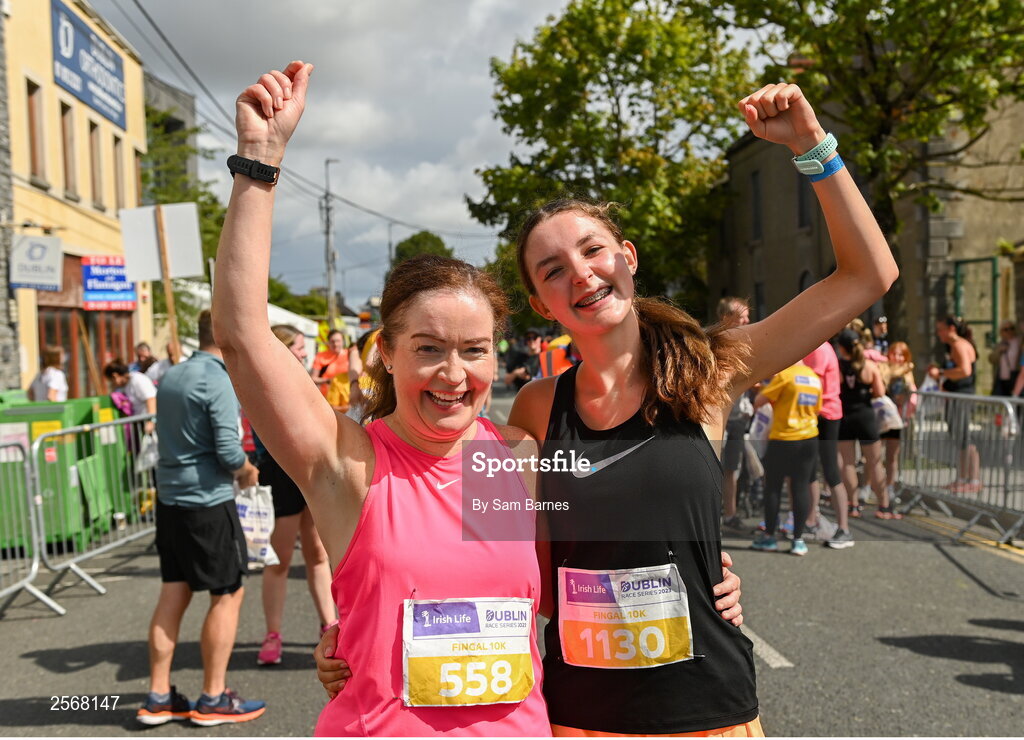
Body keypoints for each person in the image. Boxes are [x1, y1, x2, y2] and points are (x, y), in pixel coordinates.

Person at [317, 80, 898, 735]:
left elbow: (867, 276)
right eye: (553, 269)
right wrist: (364, 639)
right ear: (542, 304)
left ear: (627, 257)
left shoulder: (708, 371)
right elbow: (495, 566)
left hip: (708, 712)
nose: (582, 274)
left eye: (592, 250)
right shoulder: (532, 414)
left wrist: (811, 147)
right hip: (581, 720)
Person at [217, 60, 740, 736]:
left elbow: (574, 589)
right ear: (387, 352)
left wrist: (709, 581)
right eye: (428, 349)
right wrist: (258, 163)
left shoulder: (514, 462)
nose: (452, 375)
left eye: (474, 350)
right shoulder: (347, 467)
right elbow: (241, 336)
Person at [137, 310, 264, 727]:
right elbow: (229, 452)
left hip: (170, 501)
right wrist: (248, 471)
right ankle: (213, 697)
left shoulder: (172, 375)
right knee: (227, 594)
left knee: (173, 593)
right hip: (207, 501)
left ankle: (157, 696)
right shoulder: (218, 378)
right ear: (228, 336)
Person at [254, 324, 336, 666]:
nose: (304, 353)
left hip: (312, 474)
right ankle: (273, 634)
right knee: (280, 559)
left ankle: (329, 623)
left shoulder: (304, 380)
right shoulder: (265, 384)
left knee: (318, 554)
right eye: (300, 347)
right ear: (283, 348)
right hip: (281, 475)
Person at [750, 361, 822, 555]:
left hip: (784, 437)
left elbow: (759, 401)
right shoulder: (813, 377)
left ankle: (770, 537)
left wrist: (766, 389)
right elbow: (817, 408)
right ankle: (798, 540)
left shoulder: (785, 375)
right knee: (800, 487)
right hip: (809, 438)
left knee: (773, 486)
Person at [835, 329, 900, 518]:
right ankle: (884, 506)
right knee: (875, 462)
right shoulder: (869, 366)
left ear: (841, 348)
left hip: (845, 416)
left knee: (847, 463)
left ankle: (853, 505)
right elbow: (879, 392)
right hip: (865, 415)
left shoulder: (838, 366)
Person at [802, 341, 854, 548]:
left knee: (831, 472)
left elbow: (808, 381)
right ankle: (811, 520)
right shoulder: (813, 346)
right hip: (816, 414)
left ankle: (844, 529)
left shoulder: (820, 348)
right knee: (810, 471)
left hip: (827, 415)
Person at [930, 316, 980, 493]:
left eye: (941, 329)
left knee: (965, 437)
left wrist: (942, 372)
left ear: (951, 328)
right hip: (954, 397)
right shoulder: (953, 346)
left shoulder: (959, 345)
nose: (938, 334)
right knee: (960, 437)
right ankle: (962, 477)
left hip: (962, 397)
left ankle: (972, 479)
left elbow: (965, 371)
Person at [717, 297, 752, 530]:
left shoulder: (748, 343)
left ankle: (730, 514)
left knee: (732, 468)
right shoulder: (713, 342)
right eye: (743, 317)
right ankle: (710, 516)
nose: (748, 321)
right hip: (717, 417)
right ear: (727, 319)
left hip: (737, 417)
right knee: (711, 468)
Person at [880, 341, 917, 501]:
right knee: (874, 456)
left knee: (892, 455)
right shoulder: (882, 368)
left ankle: (889, 486)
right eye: (894, 353)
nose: (897, 357)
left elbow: (911, 394)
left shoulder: (908, 372)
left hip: (897, 419)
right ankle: (870, 486)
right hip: (881, 418)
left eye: (901, 354)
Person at [104, 360, 157, 434]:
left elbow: (151, 399)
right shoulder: (125, 386)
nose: (113, 384)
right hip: (141, 421)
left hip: (149, 421)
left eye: (111, 381)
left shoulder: (137, 379)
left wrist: (151, 422)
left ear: (115, 376)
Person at [311, 329, 348, 397]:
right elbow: (313, 378)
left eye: (338, 341)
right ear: (328, 342)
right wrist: (328, 380)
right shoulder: (320, 356)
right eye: (332, 341)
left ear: (343, 341)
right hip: (327, 397)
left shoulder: (350, 355)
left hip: (346, 397)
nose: (335, 344)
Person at [989, 320, 1019, 396]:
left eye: (1011, 328)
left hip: (1015, 377)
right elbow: (991, 359)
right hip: (1001, 379)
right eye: (1006, 329)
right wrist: (999, 351)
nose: (1009, 331)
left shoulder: (1019, 343)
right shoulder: (1000, 344)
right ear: (1001, 332)